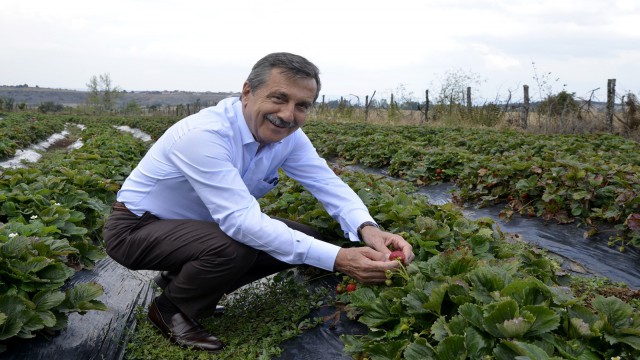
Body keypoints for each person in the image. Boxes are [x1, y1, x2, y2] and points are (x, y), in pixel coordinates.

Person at [102, 52, 414, 352]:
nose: (288, 115)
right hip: (137, 229)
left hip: (198, 228)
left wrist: (368, 228)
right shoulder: (205, 134)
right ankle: (171, 310)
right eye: (279, 98)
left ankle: (182, 280)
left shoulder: (289, 137)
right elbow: (241, 223)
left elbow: (327, 183)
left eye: (302, 105)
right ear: (248, 92)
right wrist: (341, 260)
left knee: (308, 241)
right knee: (238, 245)